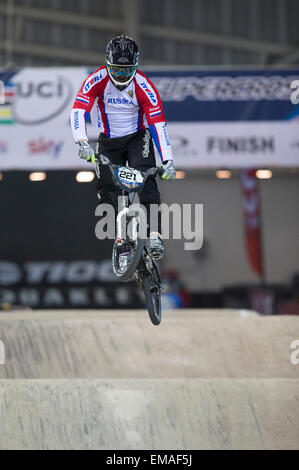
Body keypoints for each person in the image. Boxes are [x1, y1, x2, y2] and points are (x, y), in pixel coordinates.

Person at [70, 34, 176, 259]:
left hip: (138, 139)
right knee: (106, 189)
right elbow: (78, 110)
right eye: (116, 70)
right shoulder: (96, 79)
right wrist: (81, 141)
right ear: (107, 64)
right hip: (108, 141)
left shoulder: (144, 86)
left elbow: (158, 125)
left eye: (127, 71)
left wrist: (168, 160)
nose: (121, 76)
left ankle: (154, 234)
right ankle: (121, 238)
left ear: (136, 67)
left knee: (147, 180)